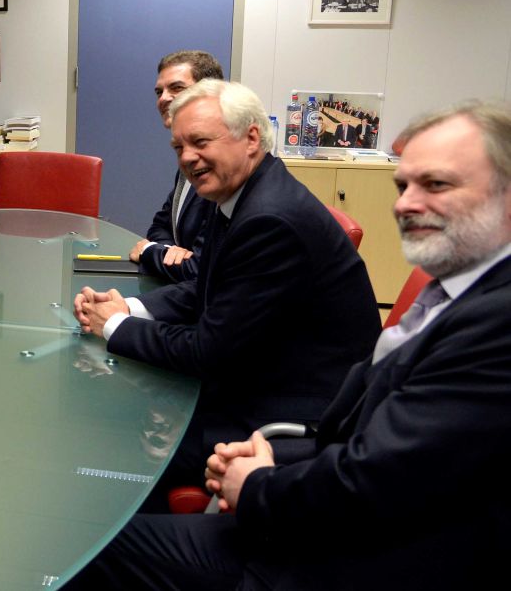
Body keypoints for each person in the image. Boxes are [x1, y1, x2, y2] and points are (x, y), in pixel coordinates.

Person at [69, 100, 511, 590]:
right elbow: (381, 448)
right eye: (402, 186)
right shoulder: (459, 290)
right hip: (318, 476)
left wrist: (259, 482)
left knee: (92, 539)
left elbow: (375, 481)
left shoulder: (495, 324)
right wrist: (272, 463)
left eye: (436, 184)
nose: (405, 203)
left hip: (344, 558)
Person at [74, 80, 381, 510]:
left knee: (113, 439)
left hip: (286, 415)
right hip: (260, 375)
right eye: (178, 147)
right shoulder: (242, 194)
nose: (187, 158)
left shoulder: (268, 219)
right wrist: (130, 307)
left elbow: (207, 351)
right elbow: (206, 289)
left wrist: (115, 328)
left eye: (199, 142)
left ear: (251, 137)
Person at [128, 51, 223, 283]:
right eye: (159, 92)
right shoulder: (189, 155)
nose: (163, 98)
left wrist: (150, 252)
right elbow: (161, 224)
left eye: (177, 88)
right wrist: (169, 250)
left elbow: (199, 268)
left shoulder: (220, 164)